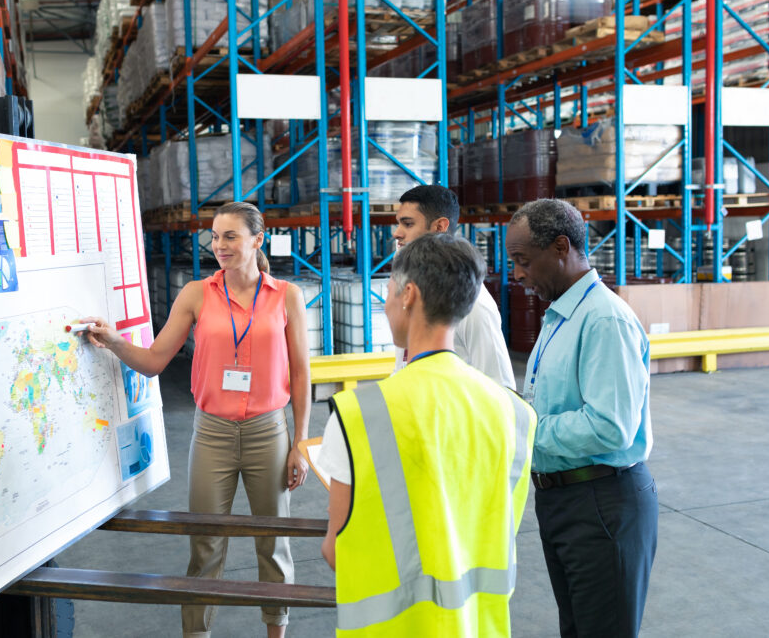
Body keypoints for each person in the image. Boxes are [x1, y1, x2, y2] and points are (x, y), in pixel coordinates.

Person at [81, 201, 310, 638]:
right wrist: (112, 340)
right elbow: (152, 362)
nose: (218, 245)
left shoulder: (287, 296)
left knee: (274, 542)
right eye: (215, 236)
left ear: (257, 240)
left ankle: (276, 631)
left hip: (269, 431)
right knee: (204, 542)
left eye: (230, 236)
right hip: (212, 434)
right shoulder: (196, 294)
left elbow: (301, 372)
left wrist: (300, 441)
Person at [316, 233, 537, 637]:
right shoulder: (513, 411)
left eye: (387, 293)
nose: (384, 306)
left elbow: (336, 550)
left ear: (409, 295)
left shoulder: (358, 413)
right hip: (480, 626)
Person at [505, 199, 658, 638]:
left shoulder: (603, 319)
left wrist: (521, 429)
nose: (518, 274)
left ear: (560, 247)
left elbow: (609, 425)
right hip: (564, 499)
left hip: (601, 502)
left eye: (523, 261)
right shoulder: (561, 315)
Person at [391, 184, 516, 389]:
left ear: (440, 227)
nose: (397, 233)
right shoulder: (412, 290)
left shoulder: (475, 305)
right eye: (398, 224)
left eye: (408, 224)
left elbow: (502, 390)